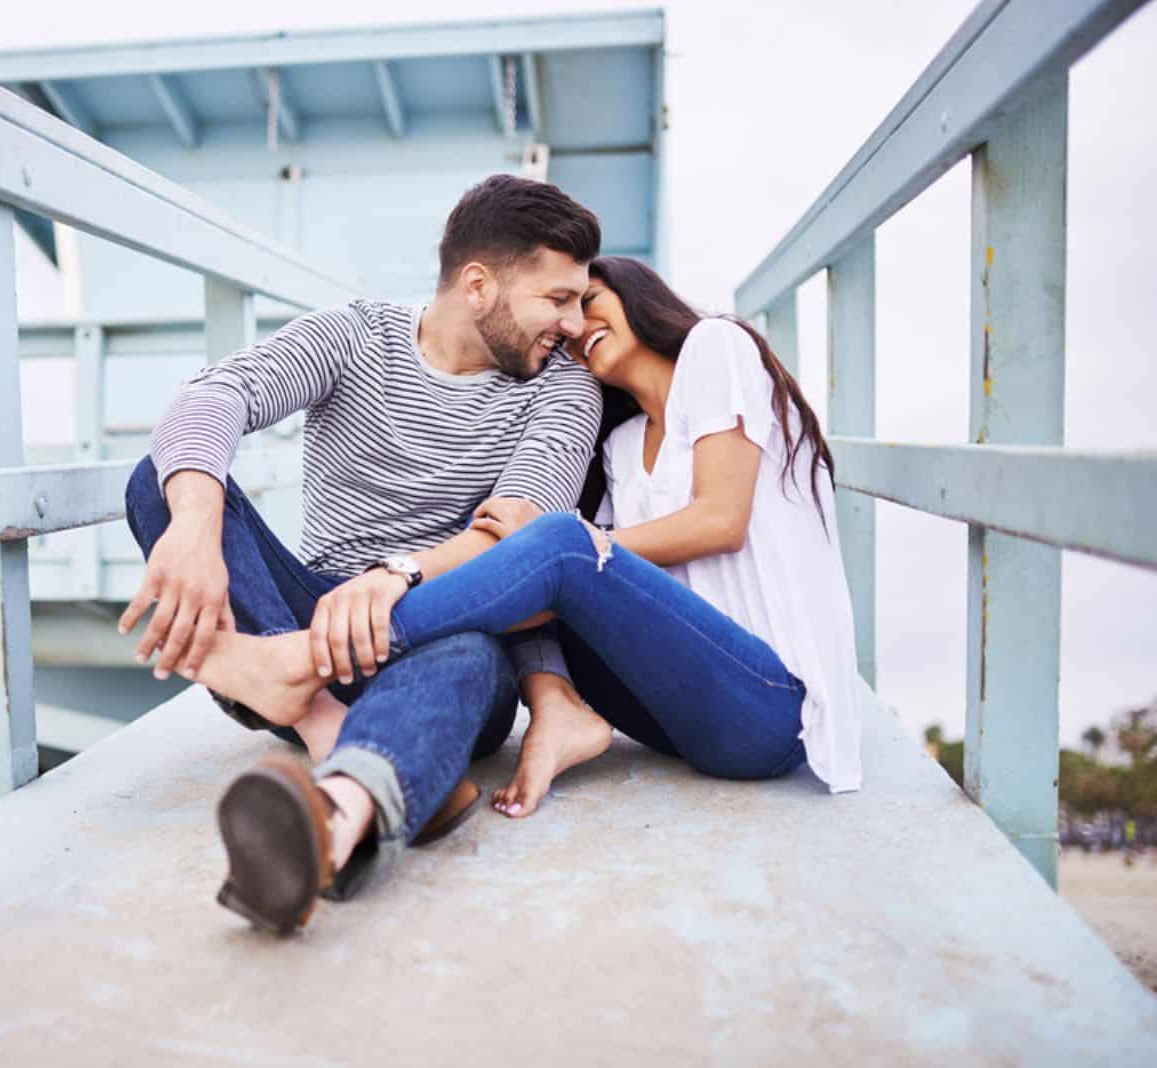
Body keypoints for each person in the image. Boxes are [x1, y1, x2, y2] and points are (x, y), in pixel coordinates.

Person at [179, 256, 864, 933]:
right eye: (561, 323)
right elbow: (569, 589)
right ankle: (344, 820)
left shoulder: (718, 347)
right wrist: (536, 566)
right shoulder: (621, 447)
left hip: (770, 705)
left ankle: (298, 661)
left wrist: (539, 547)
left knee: (559, 544)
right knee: (535, 570)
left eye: (590, 300)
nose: (576, 328)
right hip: (681, 714)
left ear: (639, 294)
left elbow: (721, 519)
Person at [119, 175, 604, 933]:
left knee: (476, 658)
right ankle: (307, 706)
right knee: (165, 482)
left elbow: (522, 533)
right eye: (559, 299)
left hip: (435, 627)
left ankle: (330, 816)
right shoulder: (357, 336)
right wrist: (194, 522)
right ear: (478, 286)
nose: (575, 323)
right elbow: (217, 396)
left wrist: (394, 579)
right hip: (306, 615)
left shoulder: (563, 391)